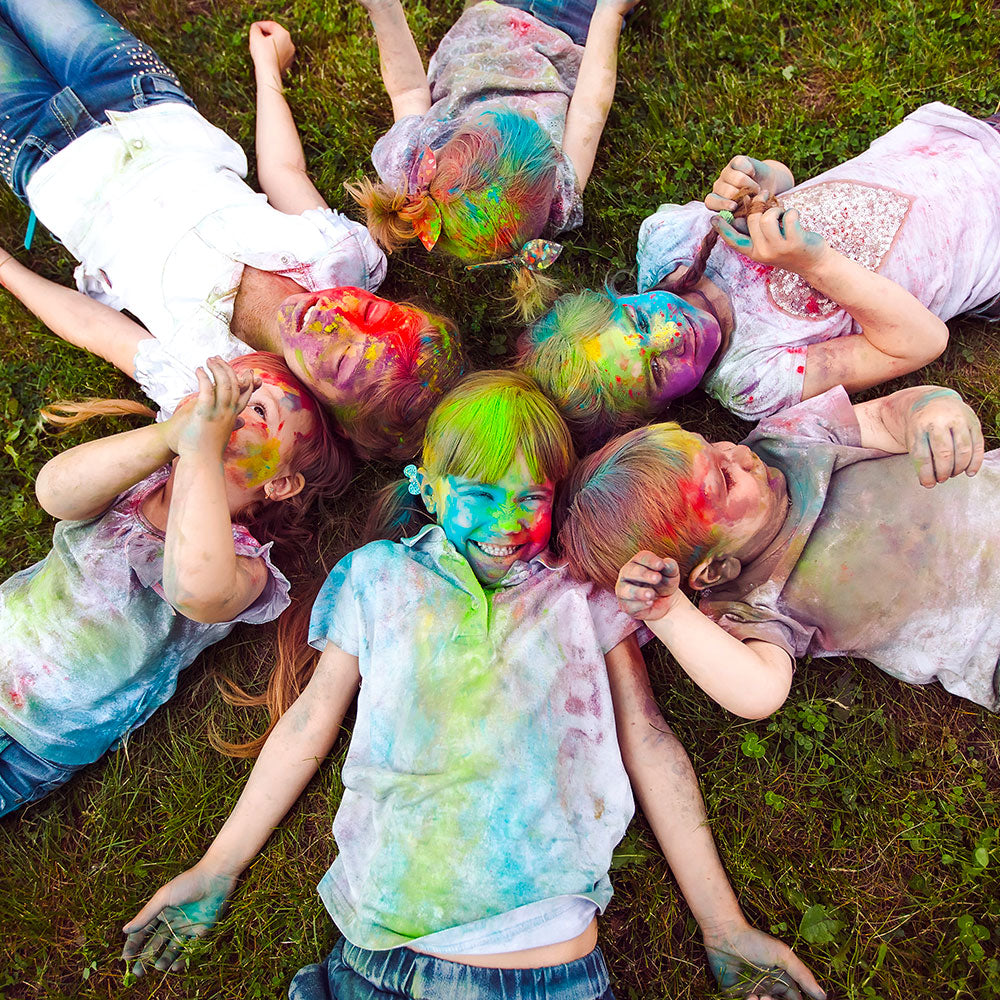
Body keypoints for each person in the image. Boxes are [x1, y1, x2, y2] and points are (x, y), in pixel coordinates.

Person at [120, 372, 824, 1000]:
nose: (505, 523)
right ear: (427, 489)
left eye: (531, 498)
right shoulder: (378, 577)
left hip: (540, 973)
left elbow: (648, 741)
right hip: (370, 959)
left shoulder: (582, 592)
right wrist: (215, 868)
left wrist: (724, 925)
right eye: (480, 495)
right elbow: (310, 723)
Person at [0, 2, 463, 459]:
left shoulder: (211, 376)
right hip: (136, 95)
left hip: (44, 159)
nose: (335, 319)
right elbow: (283, 171)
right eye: (371, 314)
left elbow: (94, 326)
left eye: (342, 359)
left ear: (332, 418)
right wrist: (268, 71)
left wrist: (6, 269)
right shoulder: (339, 258)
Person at [518, 103, 1000, 449]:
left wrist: (762, 179)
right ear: (658, 410)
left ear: (622, 298)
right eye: (656, 369)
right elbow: (921, 342)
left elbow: (788, 183)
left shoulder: (669, 239)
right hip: (985, 245)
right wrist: (814, 263)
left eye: (640, 324)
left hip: (948, 148)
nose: (669, 337)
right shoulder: (753, 379)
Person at [0, 353, 351, 817]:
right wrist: (169, 437)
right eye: (233, 395)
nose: (232, 414)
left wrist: (203, 452)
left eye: (259, 412)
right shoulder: (135, 477)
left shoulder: (244, 566)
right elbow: (56, 493)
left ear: (280, 484)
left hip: (41, 735)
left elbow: (194, 590)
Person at [557, 382, 998, 716]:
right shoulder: (749, 602)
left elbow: (885, 417)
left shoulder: (787, 442)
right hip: (986, 639)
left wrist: (929, 409)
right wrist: (669, 614)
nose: (739, 455)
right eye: (725, 482)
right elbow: (758, 693)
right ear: (713, 571)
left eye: (713, 446)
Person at [347, 0, 640, 316]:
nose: (524, 107)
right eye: (532, 119)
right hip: (563, 31)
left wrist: (384, 8)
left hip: (488, 19)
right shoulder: (558, 199)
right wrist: (610, 13)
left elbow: (407, 91)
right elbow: (587, 111)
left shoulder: (413, 163)